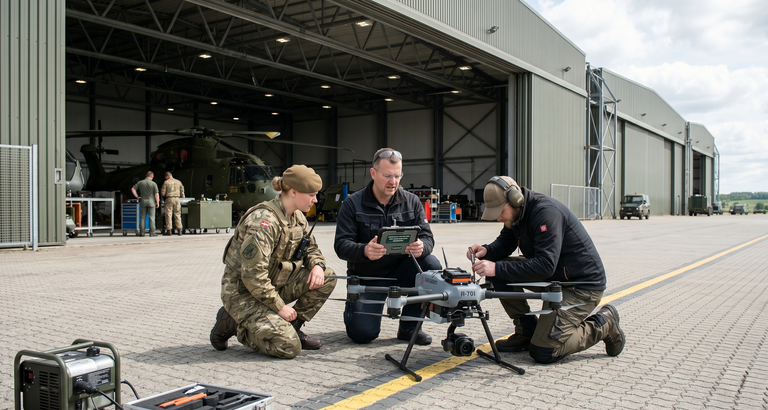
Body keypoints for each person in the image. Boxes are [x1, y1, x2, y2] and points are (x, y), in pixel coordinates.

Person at [467, 176, 625, 363]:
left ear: (515, 199)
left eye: (500, 212)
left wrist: (497, 268)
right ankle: (526, 331)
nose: (499, 218)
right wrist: (487, 250)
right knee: (498, 271)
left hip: (580, 287)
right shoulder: (517, 215)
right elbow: (505, 242)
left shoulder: (546, 213)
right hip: (554, 280)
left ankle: (604, 323)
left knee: (544, 351)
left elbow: (545, 265)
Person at [209, 165, 337, 359]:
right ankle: (233, 323)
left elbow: (310, 248)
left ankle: (293, 327)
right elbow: (253, 276)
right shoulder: (263, 222)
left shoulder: (297, 217)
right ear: (293, 192)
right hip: (243, 294)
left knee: (327, 276)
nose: (315, 200)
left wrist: (318, 266)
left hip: (272, 286)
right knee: (288, 347)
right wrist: (279, 307)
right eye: (311, 194)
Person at [334, 148, 442, 346]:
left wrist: (422, 247)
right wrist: (364, 250)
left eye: (397, 176)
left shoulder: (412, 201)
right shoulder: (352, 204)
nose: (393, 182)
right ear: (373, 173)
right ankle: (355, 314)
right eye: (387, 176)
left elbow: (428, 238)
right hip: (369, 277)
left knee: (431, 266)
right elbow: (341, 245)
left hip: (402, 272)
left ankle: (410, 326)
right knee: (362, 335)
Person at [131, 171, 160, 237]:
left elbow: (133, 189)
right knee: (152, 217)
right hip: (151, 202)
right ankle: (152, 233)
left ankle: (142, 233)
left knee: (142, 218)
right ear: (152, 176)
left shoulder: (140, 182)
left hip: (143, 201)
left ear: (146, 175)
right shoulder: (153, 184)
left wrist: (137, 196)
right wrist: (157, 202)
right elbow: (156, 194)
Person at [160, 171, 185, 236]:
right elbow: (182, 193)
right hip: (177, 199)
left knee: (168, 214)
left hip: (169, 199)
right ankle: (180, 230)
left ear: (167, 176)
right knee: (177, 214)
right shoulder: (178, 182)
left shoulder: (166, 182)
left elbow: (163, 193)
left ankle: (169, 231)